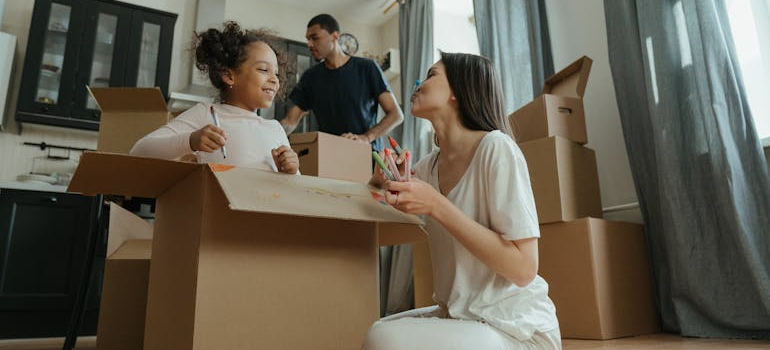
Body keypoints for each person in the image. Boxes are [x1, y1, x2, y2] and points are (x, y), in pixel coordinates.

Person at [363, 52, 562, 349]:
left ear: (457, 91)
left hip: (516, 327)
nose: (419, 83)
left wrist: (436, 205)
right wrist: (379, 181)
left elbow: (523, 269)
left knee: (386, 340)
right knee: (378, 330)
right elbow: (381, 198)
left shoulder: (495, 148)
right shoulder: (429, 166)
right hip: (461, 318)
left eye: (431, 75)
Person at [130, 21, 299, 175]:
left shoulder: (275, 128)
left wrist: (292, 170)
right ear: (229, 75)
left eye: (276, 73)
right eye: (263, 69)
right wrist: (190, 141)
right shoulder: (208, 114)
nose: (275, 79)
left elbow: (294, 190)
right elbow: (139, 151)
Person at [279, 14, 403, 151]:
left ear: (335, 36)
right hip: (329, 159)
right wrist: (267, 132)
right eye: (308, 39)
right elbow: (290, 121)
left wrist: (366, 138)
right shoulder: (310, 77)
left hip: (367, 158)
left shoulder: (367, 68)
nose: (309, 44)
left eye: (315, 38)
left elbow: (396, 114)